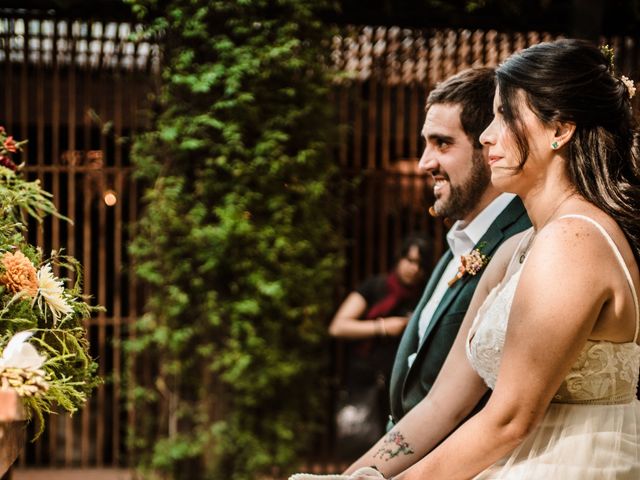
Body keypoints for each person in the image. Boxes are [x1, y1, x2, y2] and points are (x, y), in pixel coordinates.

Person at [329, 38, 640, 479]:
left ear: (559, 130)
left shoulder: (574, 241)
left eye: (503, 115)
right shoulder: (517, 249)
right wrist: (354, 477)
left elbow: (511, 419)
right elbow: (442, 403)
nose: (487, 135)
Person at [291, 67, 530, 480]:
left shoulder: (525, 239)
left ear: (487, 146)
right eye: (425, 144)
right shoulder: (454, 246)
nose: (424, 163)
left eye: (442, 143)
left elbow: (470, 405)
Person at [329, 236, 429, 458]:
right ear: (399, 258)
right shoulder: (375, 287)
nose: (414, 268)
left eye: (420, 264)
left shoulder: (425, 297)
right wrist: (382, 327)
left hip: (400, 389)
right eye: (409, 260)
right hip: (364, 383)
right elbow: (338, 326)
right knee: (360, 451)